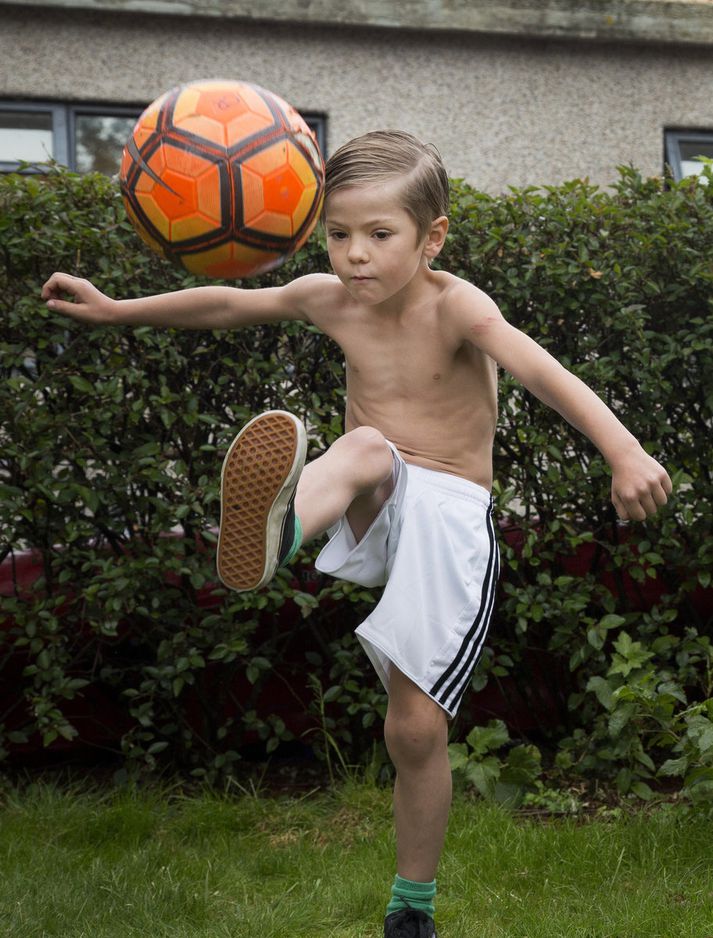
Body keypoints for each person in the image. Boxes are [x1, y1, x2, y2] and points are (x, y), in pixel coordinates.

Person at [42, 130, 672, 938]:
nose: (353, 255)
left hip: (447, 516)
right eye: (338, 235)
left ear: (430, 237)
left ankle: (411, 910)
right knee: (364, 446)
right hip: (375, 491)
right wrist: (116, 309)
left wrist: (623, 450)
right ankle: (280, 532)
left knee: (413, 729)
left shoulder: (457, 305)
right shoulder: (328, 299)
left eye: (379, 236)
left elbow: (538, 368)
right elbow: (231, 304)